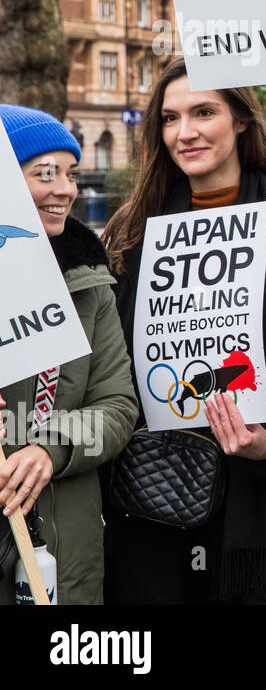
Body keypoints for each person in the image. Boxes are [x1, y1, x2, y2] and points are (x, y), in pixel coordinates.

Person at [101, 59, 266, 604]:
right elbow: (108, 357)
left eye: (204, 112)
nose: (186, 132)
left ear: (241, 121)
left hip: (253, 498)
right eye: (170, 118)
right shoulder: (129, 232)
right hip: (149, 489)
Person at [0, 106, 138, 605]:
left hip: (67, 548)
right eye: (45, 173)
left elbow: (118, 406)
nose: (66, 189)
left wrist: (47, 450)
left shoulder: (90, 284)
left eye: (71, 173)